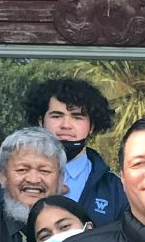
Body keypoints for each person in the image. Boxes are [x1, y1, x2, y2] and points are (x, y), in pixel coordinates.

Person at [26, 76, 126, 222]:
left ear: (91, 126)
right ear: (41, 121)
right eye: (56, 116)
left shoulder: (116, 188)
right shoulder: (14, 181)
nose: (66, 125)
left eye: (77, 117)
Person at [0, 127, 66, 242]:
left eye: (44, 170)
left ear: (61, 178)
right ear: (2, 176)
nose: (33, 179)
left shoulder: (72, 228)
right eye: (22, 169)